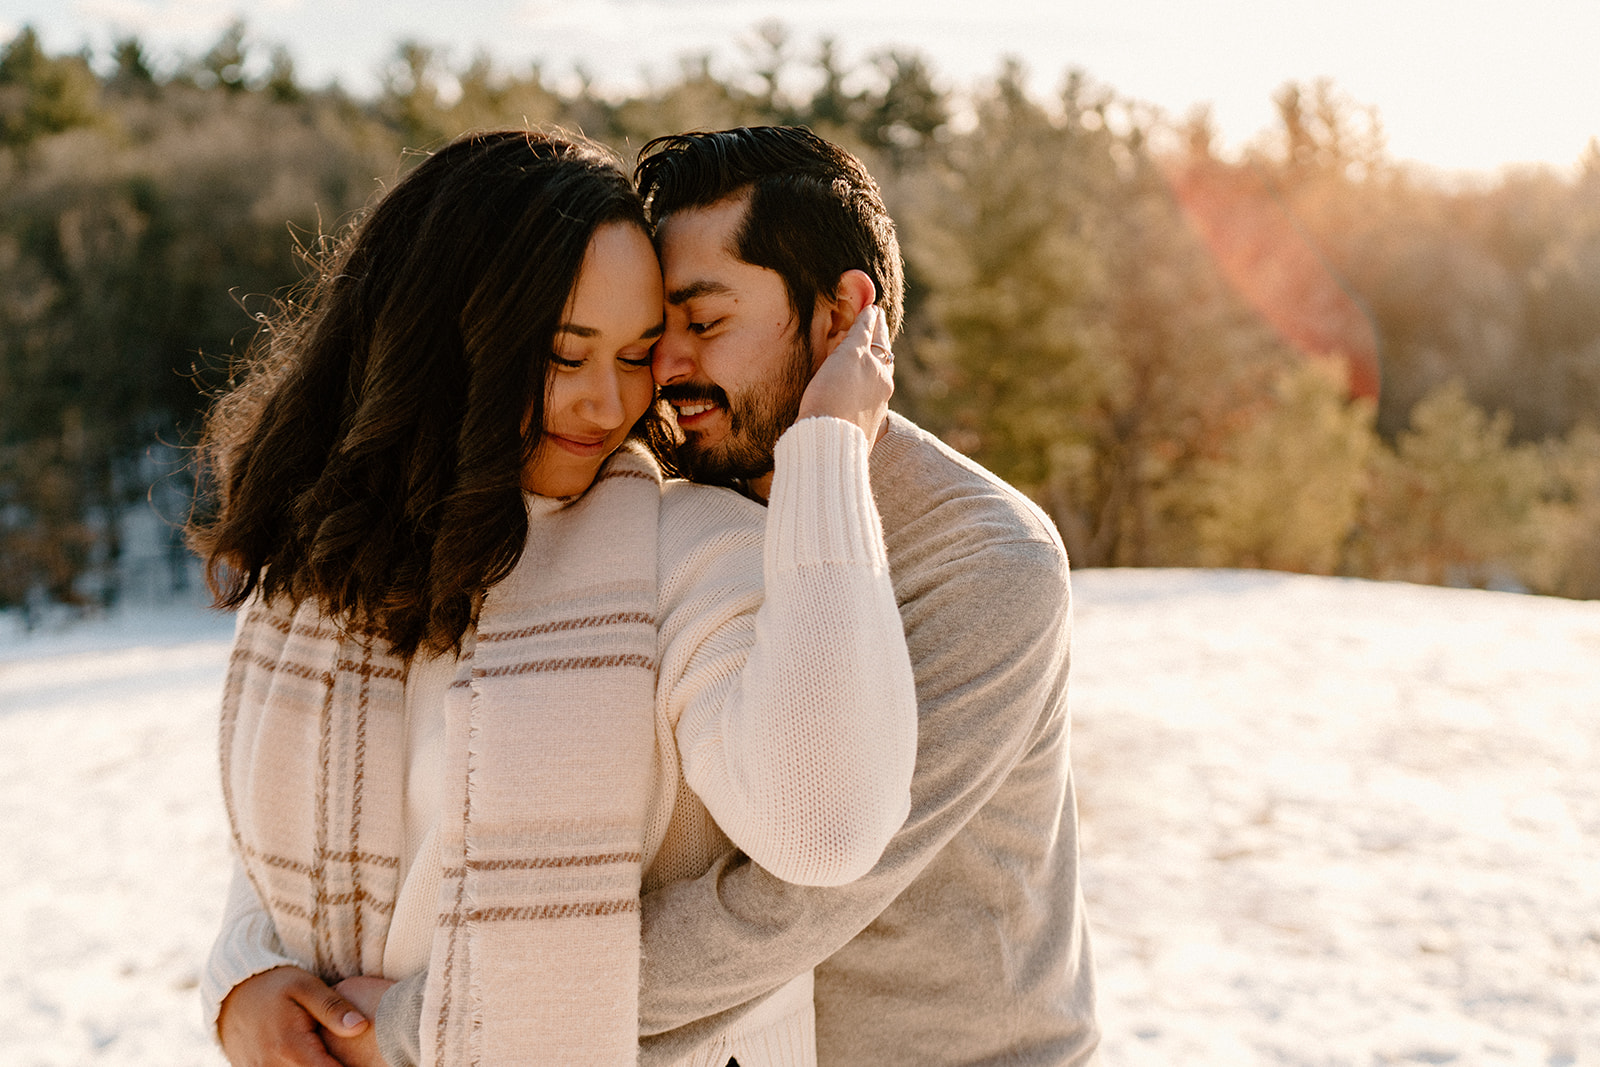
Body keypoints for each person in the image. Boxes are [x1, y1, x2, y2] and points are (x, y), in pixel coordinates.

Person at [190, 128, 917, 1067]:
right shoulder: (321, 584)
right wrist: (242, 977)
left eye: (634, 354)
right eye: (565, 355)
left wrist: (827, 451)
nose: (608, 405)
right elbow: (276, 839)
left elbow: (824, 826)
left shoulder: (687, 552)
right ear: (446, 343)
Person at [628, 126, 1102, 1066]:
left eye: (706, 321)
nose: (667, 365)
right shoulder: (678, 509)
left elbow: (784, 909)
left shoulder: (982, 556)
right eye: (655, 329)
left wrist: (462, 1003)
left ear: (844, 312)